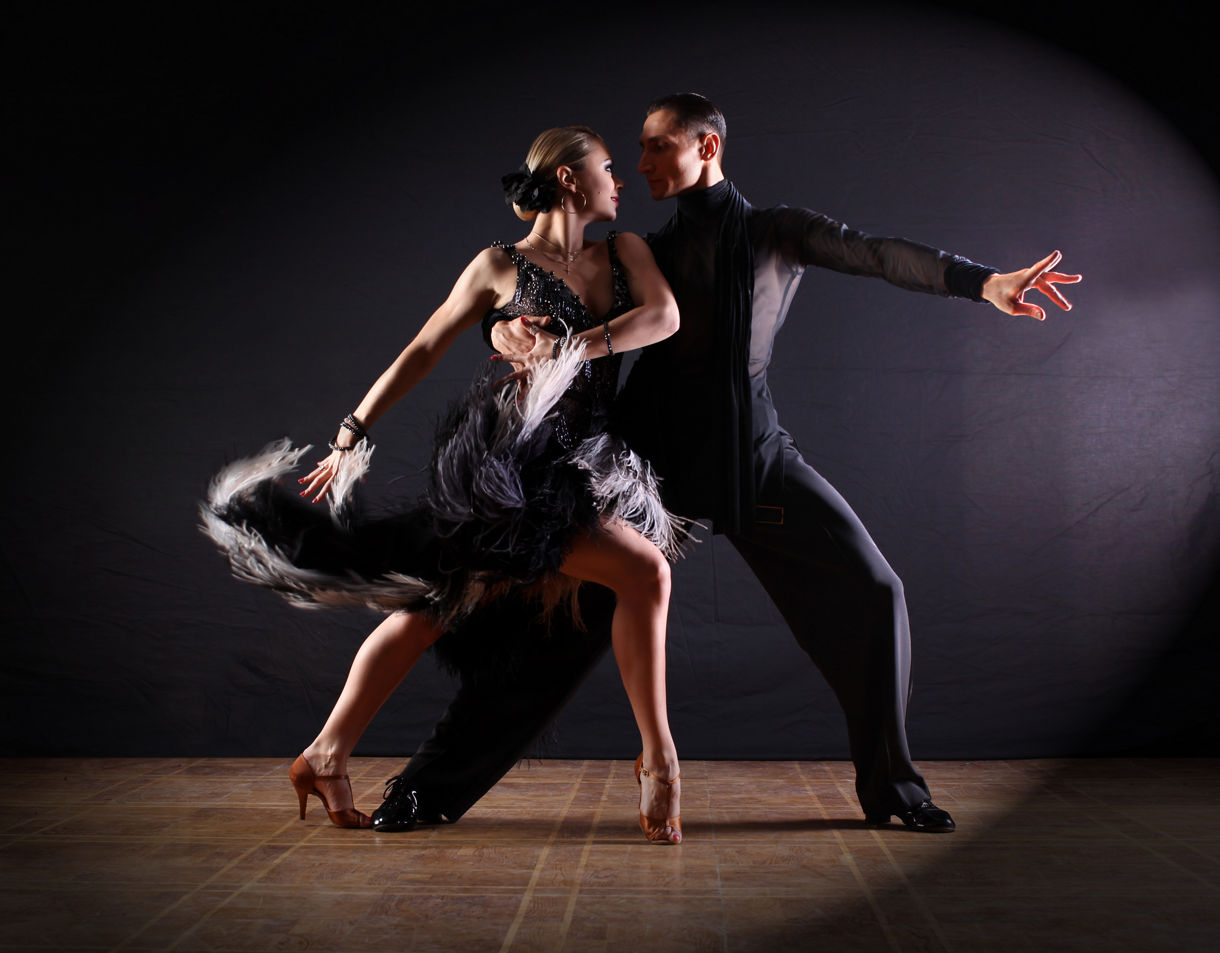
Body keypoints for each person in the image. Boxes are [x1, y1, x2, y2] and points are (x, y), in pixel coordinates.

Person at [366, 93, 1081, 835]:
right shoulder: (642, 250)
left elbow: (876, 253)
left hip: (753, 458)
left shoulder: (778, 232)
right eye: (637, 149)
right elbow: (554, 295)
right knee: (554, 631)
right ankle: (426, 790)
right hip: (646, 468)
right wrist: (500, 324)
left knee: (875, 592)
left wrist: (983, 282)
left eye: (658, 145)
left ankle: (895, 789)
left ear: (706, 147)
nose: (641, 163)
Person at [200, 125, 689, 844]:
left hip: (583, 459)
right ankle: (660, 759)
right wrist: (351, 430)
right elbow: (425, 346)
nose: (621, 180)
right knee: (637, 573)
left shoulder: (624, 251)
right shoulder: (498, 265)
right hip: (510, 466)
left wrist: (569, 347)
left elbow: (664, 317)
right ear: (567, 178)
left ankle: (326, 753)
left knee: (438, 604)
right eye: (608, 166)